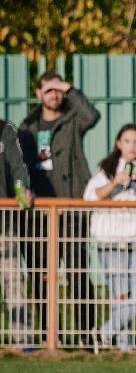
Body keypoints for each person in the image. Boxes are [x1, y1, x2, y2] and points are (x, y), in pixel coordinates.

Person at [18, 72, 100, 345]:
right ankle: (50, 336)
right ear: (38, 94)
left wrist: (69, 88)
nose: (54, 95)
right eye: (48, 90)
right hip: (37, 214)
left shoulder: (73, 118)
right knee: (40, 274)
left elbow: (92, 115)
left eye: (58, 90)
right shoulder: (27, 126)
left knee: (78, 272)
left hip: (70, 210)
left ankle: (87, 336)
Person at [83, 124, 136, 351]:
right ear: (119, 143)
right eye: (128, 141)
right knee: (119, 296)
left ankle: (103, 333)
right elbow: (90, 197)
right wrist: (114, 182)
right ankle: (125, 348)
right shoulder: (107, 166)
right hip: (109, 239)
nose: (133, 146)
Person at [0, 119, 34, 347]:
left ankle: (23, 341)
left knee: (13, 283)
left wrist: (22, 191)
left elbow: (18, 167)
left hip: (4, 225)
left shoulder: (5, 130)